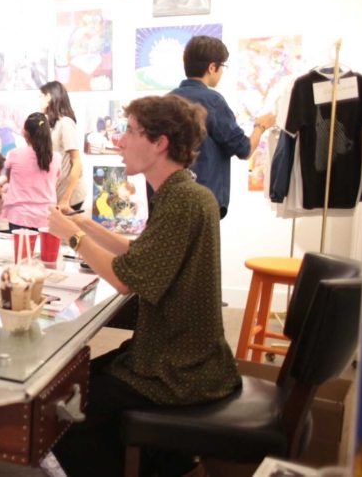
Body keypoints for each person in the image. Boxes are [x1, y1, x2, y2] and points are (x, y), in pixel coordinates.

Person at [47, 95, 241, 477]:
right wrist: (85, 225)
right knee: (75, 382)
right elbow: (143, 253)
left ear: (160, 142)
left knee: (65, 413)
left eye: (131, 132)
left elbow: (124, 278)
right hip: (181, 356)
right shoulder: (183, 192)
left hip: (179, 370)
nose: (119, 141)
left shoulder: (182, 200)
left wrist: (71, 237)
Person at [169, 35, 275, 219]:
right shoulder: (213, 101)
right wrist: (260, 126)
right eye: (222, 67)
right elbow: (244, 149)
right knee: (204, 248)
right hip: (203, 200)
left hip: (170, 198)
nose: (222, 72)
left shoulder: (166, 100)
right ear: (212, 67)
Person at [0, 112, 60, 231]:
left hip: (19, 216)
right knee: (42, 250)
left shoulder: (14, 155)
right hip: (46, 216)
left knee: (20, 249)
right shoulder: (56, 157)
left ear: (25, 132)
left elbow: (11, 179)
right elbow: (54, 184)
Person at [39, 81, 86, 213]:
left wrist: (66, 197)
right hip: (56, 194)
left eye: (41, 96)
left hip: (69, 196)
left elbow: (77, 163)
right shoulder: (51, 124)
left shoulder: (65, 123)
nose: (39, 100)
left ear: (49, 97)